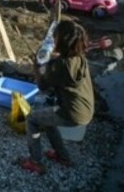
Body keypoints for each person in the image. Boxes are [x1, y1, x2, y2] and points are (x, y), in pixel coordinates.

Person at [19, 20, 94, 174]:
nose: (53, 39)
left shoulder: (61, 67)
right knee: (47, 119)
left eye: (56, 37)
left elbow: (42, 86)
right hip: (86, 108)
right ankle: (63, 157)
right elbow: (61, 60)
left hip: (72, 113)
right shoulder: (79, 56)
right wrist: (52, 59)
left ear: (62, 41)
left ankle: (35, 162)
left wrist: (37, 66)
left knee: (32, 119)